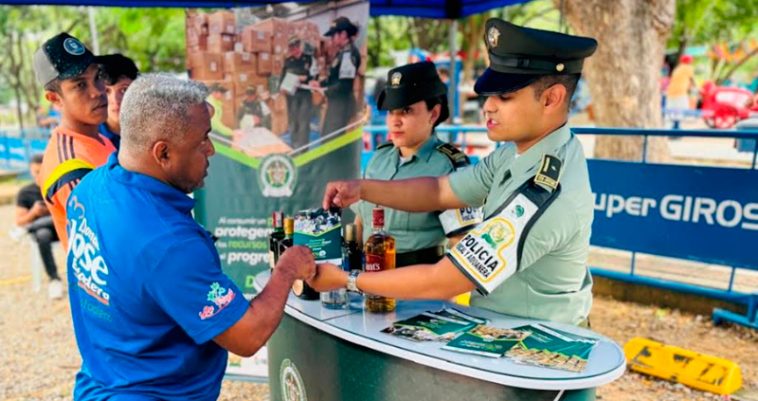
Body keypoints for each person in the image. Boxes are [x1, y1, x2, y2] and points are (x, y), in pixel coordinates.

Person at [311, 19, 598, 329]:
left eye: (505, 97)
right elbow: (440, 191)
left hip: (536, 348)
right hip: (504, 330)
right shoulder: (516, 152)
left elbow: (444, 281)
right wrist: (362, 188)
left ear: (551, 98)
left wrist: (345, 280)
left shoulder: (543, 192)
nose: (487, 107)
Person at [64, 74, 316, 400]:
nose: (211, 150)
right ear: (163, 153)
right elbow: (248, 336)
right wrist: (287, 268)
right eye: (202, 140)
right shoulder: (168, 245)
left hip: (100, 382)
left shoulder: (91, 188)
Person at [355, 61, 480, 267]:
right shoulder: (379, 159)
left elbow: (463, 246)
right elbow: (361, 222)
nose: (395, 121)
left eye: (405, 111)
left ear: (434, 113)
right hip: (368, 283)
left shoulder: (449, 168)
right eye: (391, 112)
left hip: (418, 287)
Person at [33, 32, 115, 249]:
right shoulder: (70, 166)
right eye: (80, 85)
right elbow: (108, 244)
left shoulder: (97, 138)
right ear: (55, 99)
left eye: (97, 77)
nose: (98, 91)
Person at [15, 154, 62, 299]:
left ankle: (28, 230)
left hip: (61, 224)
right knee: (42, 234)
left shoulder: (58, 185)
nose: (39, 175)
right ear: (30, 171)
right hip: (46, 232)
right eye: (36, 172)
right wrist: (34, 213)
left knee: (54, 220)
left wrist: (52, 209)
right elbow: (20, 220)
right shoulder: (25, 192)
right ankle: (54, 279)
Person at [312, 16, 361, 138]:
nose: (331, 39)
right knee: (327, 137)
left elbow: (344, 85)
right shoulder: (342, 53)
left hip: (342, 106)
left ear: (343, 35)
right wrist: (320, 84)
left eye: (333, 36)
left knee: (332, 140)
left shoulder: (349, 54)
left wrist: (324, 91)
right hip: (336, 104)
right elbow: (335, 78)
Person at [98, 53, 139, 150]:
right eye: (106, 91)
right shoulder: (92, 137)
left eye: (124, 90)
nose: (115, 100)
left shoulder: (151, 129)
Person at [281, 36, 315, 150]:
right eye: (293, 48)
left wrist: (304, 78)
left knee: (304, 122)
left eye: (297, 46)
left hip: (305, 94)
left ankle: (304, 148)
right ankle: (295, 146)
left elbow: (315, 76)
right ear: (290, 49)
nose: (296, 49)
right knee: (294, 121)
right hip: (292, 96)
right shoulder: (288, 62)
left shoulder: (309, 59)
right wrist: (281, 88)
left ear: (300, 46)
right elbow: (282, 79)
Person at [666, 54, 696, 129]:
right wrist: (696, 87)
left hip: (671, 91)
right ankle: (676, 127)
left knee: (673, 110)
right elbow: (692, 80)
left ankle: (674, 126)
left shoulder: (678, 68)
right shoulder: (688, 68)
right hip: (680, 91)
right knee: (682, 108)